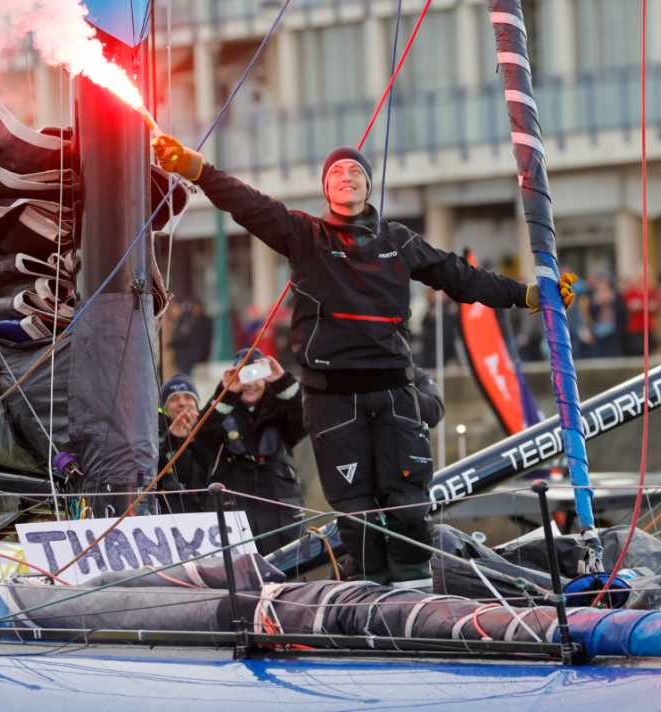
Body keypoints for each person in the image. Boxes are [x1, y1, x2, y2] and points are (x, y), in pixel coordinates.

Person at [153, 134, 576, 585]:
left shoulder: (398, 241)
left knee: (408, 504)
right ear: (326, 190)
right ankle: (372, 596)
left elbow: (460, 277)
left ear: (368, 186)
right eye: (337, 173)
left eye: (355, 171)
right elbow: (249, 205)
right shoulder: (304, 235)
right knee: (357, 515)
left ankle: (415, 593)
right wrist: (199, 170)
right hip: (333, 394)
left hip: (392, 386)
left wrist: (527, 295)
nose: (347, 177)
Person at [198, 349, 306, 555]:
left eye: (255, 375)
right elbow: (200, 437)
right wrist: (226, 392)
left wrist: (283, 380)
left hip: (280, 517)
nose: (249, 383)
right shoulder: (222, 411)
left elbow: (306, 418)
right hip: (235, 521)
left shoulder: (283, 411)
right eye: (243, 375)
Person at [157, 374, 209, 514]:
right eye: (173, 399)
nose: (182, 403)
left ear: (197, 404)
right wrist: (172, 438)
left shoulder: (210, 430)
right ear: (164, 408)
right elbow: (153, 471)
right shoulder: (154, 433)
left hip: (206, 512)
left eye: (188, 397)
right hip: (169, 514)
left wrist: (195, 438)